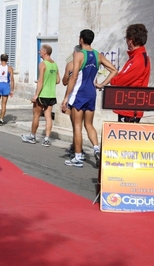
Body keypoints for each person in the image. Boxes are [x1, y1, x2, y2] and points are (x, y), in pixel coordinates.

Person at [61, 29, 117, 167]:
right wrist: (102, 84)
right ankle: (96, 149)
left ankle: (78, 157)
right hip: (92, 93)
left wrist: (66, 97)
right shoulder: (98, 55)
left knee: (78, 126)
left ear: (81, 39)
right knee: (89, 124)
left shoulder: (78, 55)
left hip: (79, 94)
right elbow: (114, 70)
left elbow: (73, 77)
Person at [109, 23, 151, 123]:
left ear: (130, 41)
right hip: (131, 108)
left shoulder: (137, 59)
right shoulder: (140, 56)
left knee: (123, 139)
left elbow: (118, 81)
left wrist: (113, 76)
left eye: (126, 39)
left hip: (130, 109)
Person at [21, 44, 60, 147]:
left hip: (42, 94)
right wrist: (49, 82)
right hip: (51, 94)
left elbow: (41, 81)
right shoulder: (55, 64)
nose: (39, 52)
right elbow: (58, 80)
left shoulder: (43, 64)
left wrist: (36, 95)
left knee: (36, 116)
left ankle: (32, 136)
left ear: (45, 52)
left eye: (40, 51)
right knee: (48, 117)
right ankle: (46, 139)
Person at [62, 45, 85, 160]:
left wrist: (69, 74)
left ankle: (77, 150)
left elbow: (64, 82)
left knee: (75, 125)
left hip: (74, 97)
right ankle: (79, 148)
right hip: (87, 96)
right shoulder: (89, 64)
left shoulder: (71, 64)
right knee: (83, 125)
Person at [0, 53, 15, 126]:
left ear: (0, 59)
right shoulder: (10, 68)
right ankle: (1, 119)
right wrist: (12, 90)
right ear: (7, 60)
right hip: (6, 85)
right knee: (4, 104)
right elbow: (12, 80)